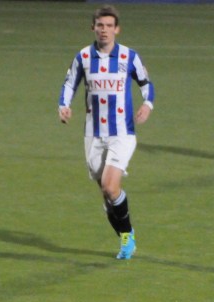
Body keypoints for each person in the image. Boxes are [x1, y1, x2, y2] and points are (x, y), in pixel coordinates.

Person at [59, 4, 154, 260]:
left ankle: (127, 236)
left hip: (122, 132)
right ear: (93, 28)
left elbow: (146, 84)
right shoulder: (83, 57)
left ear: (117, 29)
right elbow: (70, 84)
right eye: (100, 25)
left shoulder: (129, 57)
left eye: (109, 26)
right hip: (93, 134)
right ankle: (125, 234)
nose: (104, 30)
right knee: (106, 192)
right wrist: (63, 106)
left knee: (111, 187)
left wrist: (147, 104)